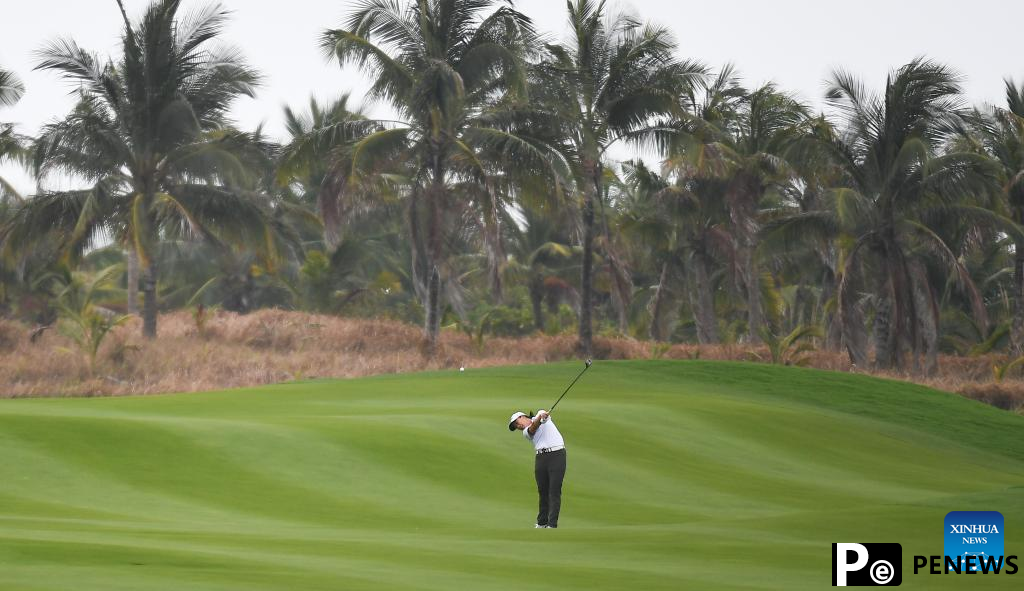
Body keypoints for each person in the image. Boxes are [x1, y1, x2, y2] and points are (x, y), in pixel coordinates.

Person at [508, 409, 566, 529]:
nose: (518, 426)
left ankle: (552, 524)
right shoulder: (526, 432)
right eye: (516, 426)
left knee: (554, 490)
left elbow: (543, 418)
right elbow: (533, 428)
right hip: (541, 458)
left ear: (522, 416)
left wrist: (542, 417)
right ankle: (542, 522)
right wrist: (540, 419)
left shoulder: (541, 413)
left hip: (557, 454)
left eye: (517, 422)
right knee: (542, 491)